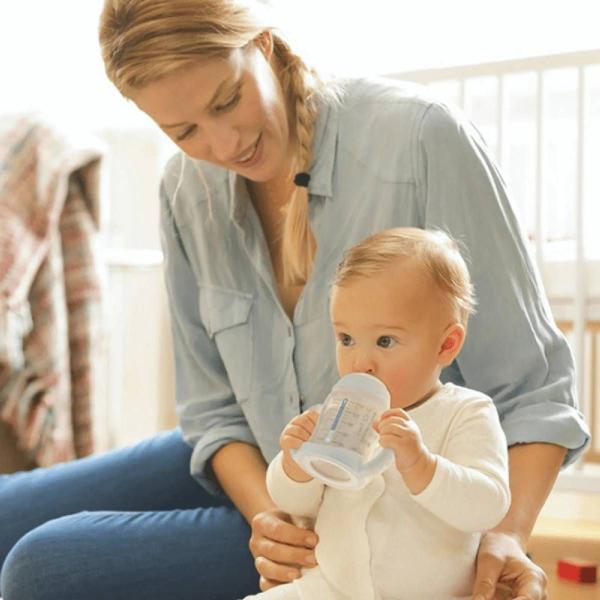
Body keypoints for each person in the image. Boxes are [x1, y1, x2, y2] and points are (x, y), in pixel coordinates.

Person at [0, 1, 590, 599]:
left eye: (227, 100)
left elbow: (536, 392)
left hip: (365, 504)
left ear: (262, 42)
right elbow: (211, 411)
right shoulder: (184, 190)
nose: (224, 143)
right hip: (263, 467)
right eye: (183, 131)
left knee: (44, 567)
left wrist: (506, 532)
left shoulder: (421, 138)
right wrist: (267, 517)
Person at [243, 227, 512, 600]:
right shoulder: (336, 415)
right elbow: (292, 503)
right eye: (346, 339)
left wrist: (422, 466)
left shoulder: (465, 413)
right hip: (329, 587)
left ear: (446, 344)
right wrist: (295, 464)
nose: (359, 362)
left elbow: (488, 505)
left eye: (385, 341)